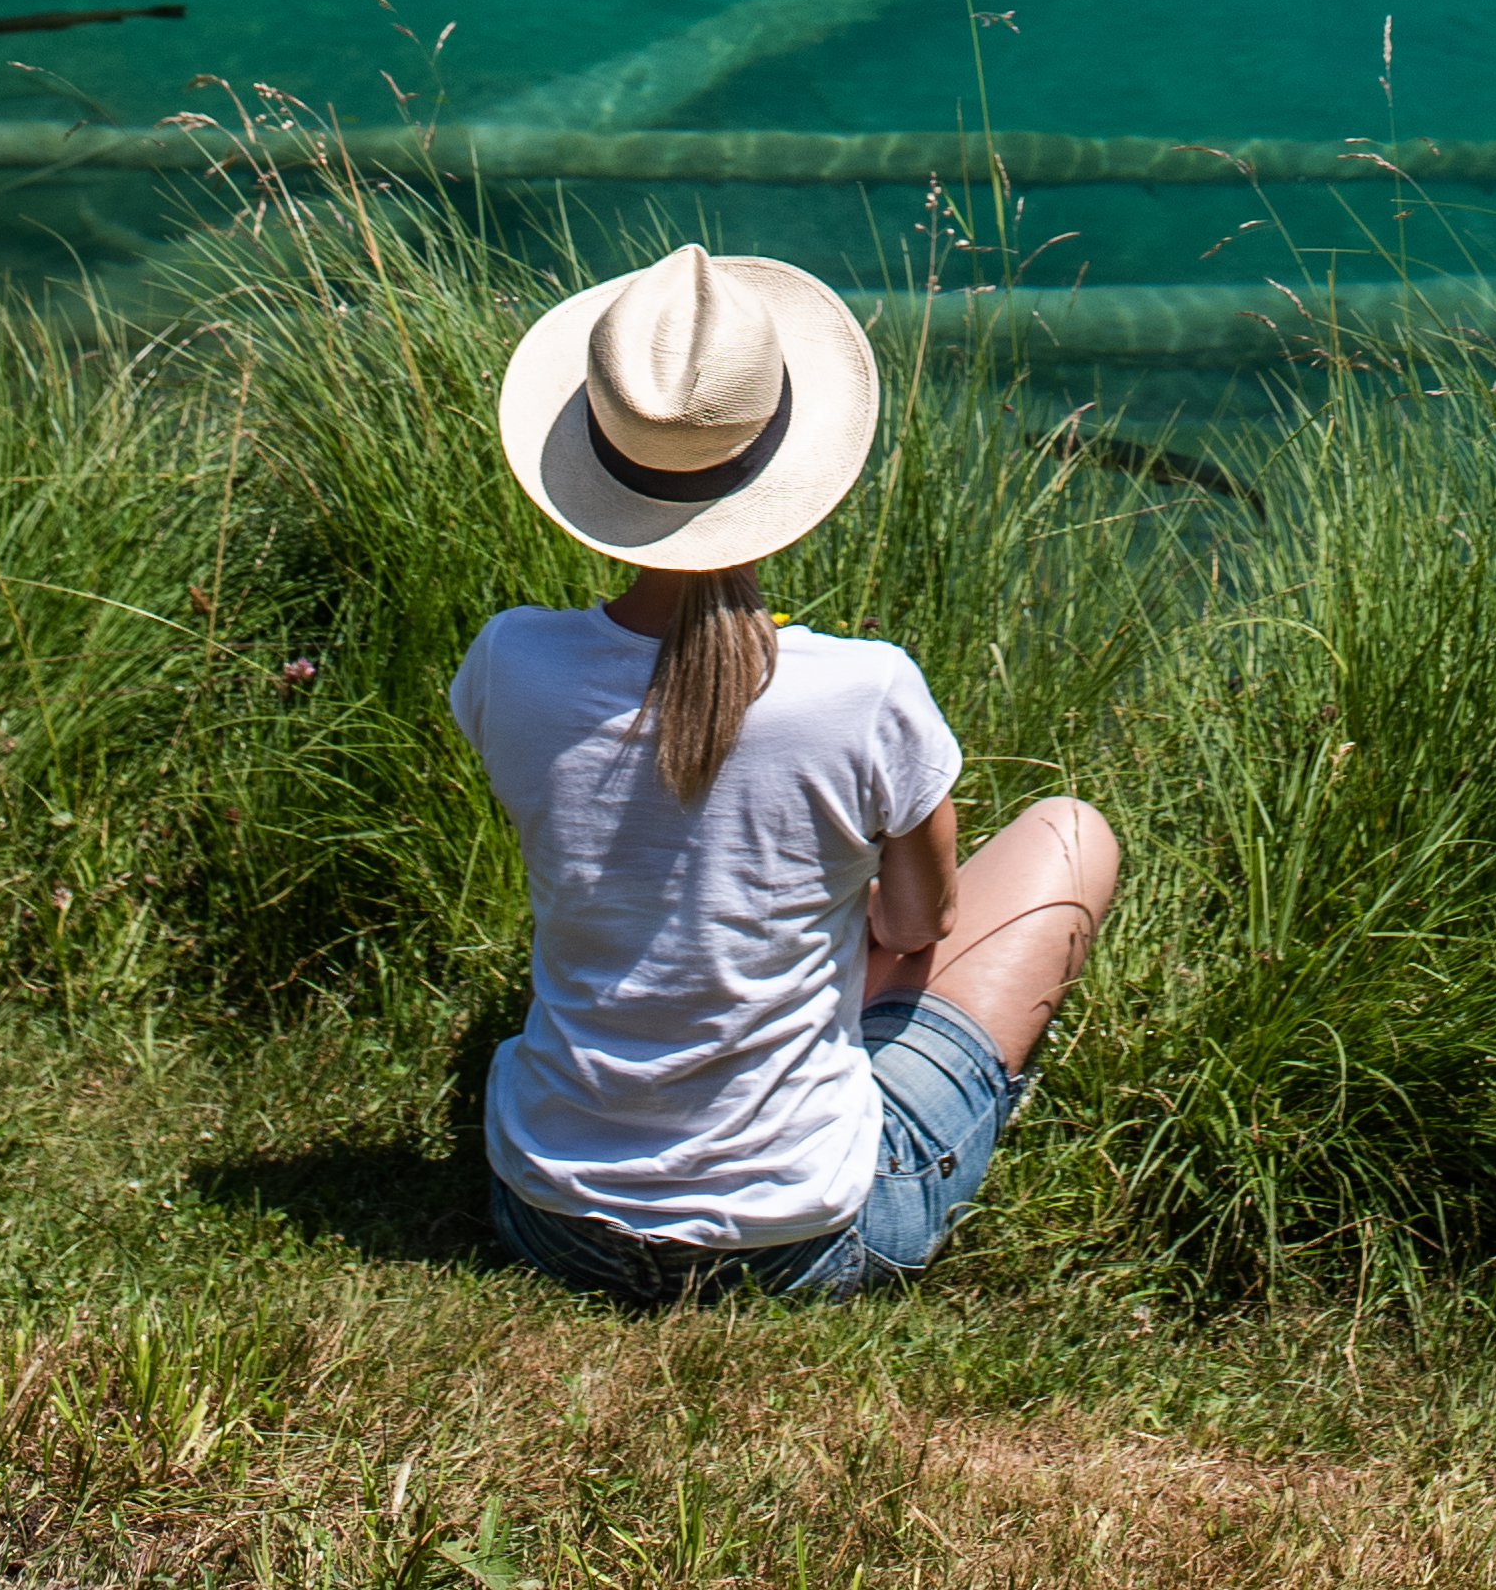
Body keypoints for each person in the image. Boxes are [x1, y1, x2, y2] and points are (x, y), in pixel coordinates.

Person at [450, 242, 1122, 1305]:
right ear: (782, 456)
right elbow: (912, 931)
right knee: (1074, 834)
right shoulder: (862, 690)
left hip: (551, 1217)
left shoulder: (508, 662)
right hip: (802, 1239)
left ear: (595, 453)